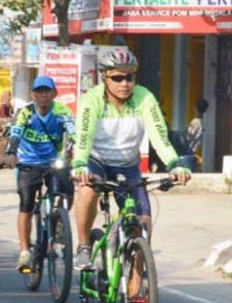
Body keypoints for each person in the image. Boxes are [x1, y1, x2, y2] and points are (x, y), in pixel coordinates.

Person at [71, 49, 191, 285]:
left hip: (128, 165)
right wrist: (80, 164)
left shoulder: (144, 97)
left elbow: (159, 136)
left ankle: (136, 293)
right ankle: (84, 244)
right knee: (87, 191)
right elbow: (83, 136)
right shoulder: (92, 99)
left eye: (130, 78)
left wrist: (175, 164)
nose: (125, 84)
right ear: (104, 77)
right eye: (117, 78)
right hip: (97, 161)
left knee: (142, 226)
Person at [4, 76, 74, 272]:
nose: (43, 95)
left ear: (54, 93)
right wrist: (11, 152)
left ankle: (59, 224)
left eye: (47, 91)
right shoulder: (25, 112)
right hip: (28, 163)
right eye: (39, 91)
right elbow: (15, 133)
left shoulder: (62, 111)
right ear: (32, 94)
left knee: (68, 190)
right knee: (26, 204)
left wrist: (80, 152)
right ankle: (25, 251)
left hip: (54, 162)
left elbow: (74, 132)